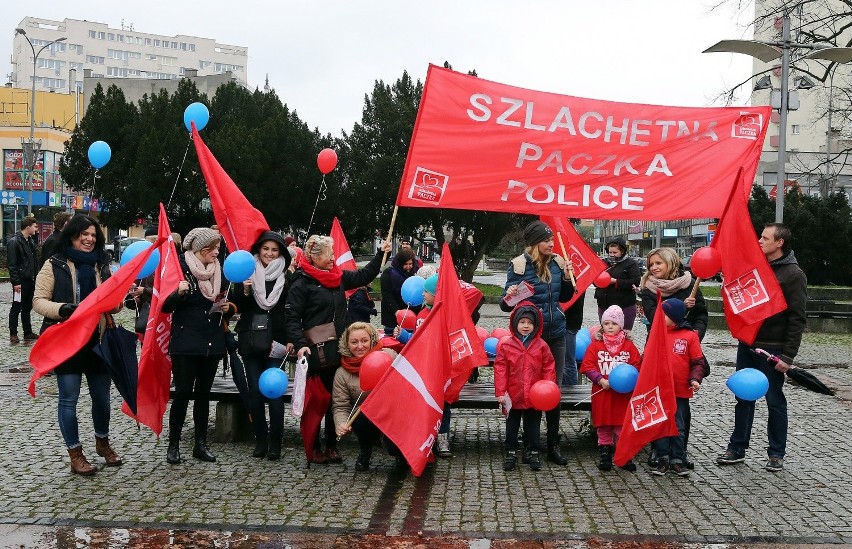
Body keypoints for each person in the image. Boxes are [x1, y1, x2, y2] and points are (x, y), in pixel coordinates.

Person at [286, 235, 392, 464]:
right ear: (314, 257)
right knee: (317, 400)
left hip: (339, 349)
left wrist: (381, 255)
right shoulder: (301, 282)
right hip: (314, 351)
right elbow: (292, 318)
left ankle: (332, 444)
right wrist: (301, 344)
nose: (333, 258)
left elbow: (364, 275)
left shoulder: (338, 277)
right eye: (329, 254)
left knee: (336, 397)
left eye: (334, 254)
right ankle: (313, 446)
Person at [32, 214, 123, 475]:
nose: (89, 239)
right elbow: (38, 301)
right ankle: (75, 453)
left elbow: (114, 304)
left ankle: (102, 443)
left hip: (97, 340)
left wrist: (115, 302)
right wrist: (63, 309)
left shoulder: (102, 265)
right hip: (66, 341)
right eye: (84, 234)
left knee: (102, 400)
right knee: (69, 399)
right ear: (72, 235)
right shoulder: (55, 263)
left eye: (94, 235)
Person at [717, 223, 807, 473]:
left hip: (773, 347)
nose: (759, 240)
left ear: (779, 243)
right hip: (748, 343)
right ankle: (737, 448)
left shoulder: (793, 274)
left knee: (774, 400)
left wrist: (788, 356)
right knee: (743, 397)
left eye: (765, 238)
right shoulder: (755, 265)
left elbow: (797, 318)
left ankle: (776, 453)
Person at [501, 220, 574, 465]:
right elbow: (505, 305)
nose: (551, 244)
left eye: (552, 239)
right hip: (531, 339)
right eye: (546, 240)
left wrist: (565, 279)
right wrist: (509, 296)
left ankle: (553, 444)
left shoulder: (558, 263)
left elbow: (565, 297)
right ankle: (529, 443)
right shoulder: (519, 266)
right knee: (527, 391)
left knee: (554, 390)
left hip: (556, 333)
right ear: (534, 243)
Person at [162, 227, 230, 465]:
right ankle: (173, 444)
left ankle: (200, 444)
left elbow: (227, 299)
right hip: (185, 343)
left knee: (203, 395)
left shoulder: (218, 270)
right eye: (215, 249)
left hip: (211, 341)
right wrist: (178, 294)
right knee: (182, 394)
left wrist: (227, 306)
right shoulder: (180, 268)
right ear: (203, 249)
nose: (218, 253)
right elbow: (164, 306)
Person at [638, 246, 709, 469]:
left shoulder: (689, 284)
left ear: (671, 263)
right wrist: (678, 308)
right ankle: (657, 450)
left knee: (680, 407)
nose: (654, 268)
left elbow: (701, 315)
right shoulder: (648, 288)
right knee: (656, 401)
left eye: (658, 263)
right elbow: (654, 316)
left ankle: (680, 452)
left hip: (683, 348)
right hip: (659, 345)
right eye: (651, 264)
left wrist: (694, 335)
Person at [230, 231, 292, 460]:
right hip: (250, 341)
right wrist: (245, 290)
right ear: (258, 250)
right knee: (255, 391)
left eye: (274, 250)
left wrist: (291, 340)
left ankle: (276, 442)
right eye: (266, 249)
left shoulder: (287, 276)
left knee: (274, 391)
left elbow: (291, 311)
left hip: (276, 341)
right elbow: (237, 305)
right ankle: (261, 439)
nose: (269, 253)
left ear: (280, 253)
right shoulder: (246, 271)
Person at [494, 302, 556, 471]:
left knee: (533, 425)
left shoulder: (541, 345)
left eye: (529, 323)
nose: (526, 326)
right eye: (522, 322)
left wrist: (548, 388)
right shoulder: (507, 345)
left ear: (535, 325)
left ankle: (534, 451)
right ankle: (510, 452)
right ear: (515, 324)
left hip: (534, 395)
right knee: (511, 425)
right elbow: (500, 369)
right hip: (513, 395)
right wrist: (500, 392)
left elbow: (549, 367)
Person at [579, 305, 642, 472]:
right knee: (604, 426)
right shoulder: (595, 346)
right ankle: (605, 455)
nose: (610, 327)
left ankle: (624, 455)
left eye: (613, 323)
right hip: (603, 394)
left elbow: (637, 366)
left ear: (621, 325)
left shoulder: (629, 347)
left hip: (623, 396)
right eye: (606, 323)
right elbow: (587, 366)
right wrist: (599, 380)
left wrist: (630, 380)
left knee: (622, 427)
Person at [651, 299, 709, 477]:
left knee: (678, 426)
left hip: (680, 391)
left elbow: (698, 362)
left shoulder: (689, 336)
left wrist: (694, 379)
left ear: (674, 317)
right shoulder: (656, 334)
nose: (659, 316)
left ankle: (678, 459)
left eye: (664, 314)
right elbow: (647, 359)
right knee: (660, 425)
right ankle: (662, 459)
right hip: (659, 390)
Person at [332, 322, 398, 471]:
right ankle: (365, 450)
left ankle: (400, 454)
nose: (360, 346)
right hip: (365, 417)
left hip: (393, 414)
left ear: (372, 340)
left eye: (364, 341)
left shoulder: (389, 356)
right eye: (354, 342)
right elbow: (340, 405)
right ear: (347, 344)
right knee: (359, 417)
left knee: (393, 448)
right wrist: (341, 424)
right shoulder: (342, 373)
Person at [594, 238, 641, 329]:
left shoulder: (630, 263)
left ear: (622, 251)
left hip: (624, 305)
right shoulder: (603, 262)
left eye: (615, 253)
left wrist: (616, 281)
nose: (612, 255)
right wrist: (599, 281)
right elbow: (594, 280)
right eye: (610, 252)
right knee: (606, 332)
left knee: (624, 332)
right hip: (604, 304)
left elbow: (635, 281)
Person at [8, 216, 40, 344]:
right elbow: (12, 264)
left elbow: (33, 261)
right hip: (20, 281)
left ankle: (28, 332)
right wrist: (16, 282)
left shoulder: (30, 241)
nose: (36, 229)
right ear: (28, 227)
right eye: (34, 226)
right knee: (16, 307)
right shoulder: (14, 242)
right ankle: (13, 333)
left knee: (27, 307)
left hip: (30, 279)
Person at [379, 248, 419, 336]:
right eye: (405, 264)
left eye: (410, 264)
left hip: (410, 316)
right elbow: (387, 294)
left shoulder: (415, 274)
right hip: (392, 316)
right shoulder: (388, 274)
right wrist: (397, 311)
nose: (408, 267)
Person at [562, 292, 585, 386]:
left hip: (569, 321)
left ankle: (572, 391)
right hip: (558, 320)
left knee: (568, 361)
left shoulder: (578, 278)